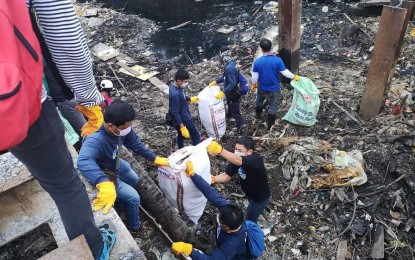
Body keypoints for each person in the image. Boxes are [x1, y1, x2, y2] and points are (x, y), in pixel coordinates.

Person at [4, 0, 116, 259]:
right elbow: (64, 34)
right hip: (17, 102)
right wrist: (88, 96)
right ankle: (96, 250)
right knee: (65, 187)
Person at [77, 101, 170, 234]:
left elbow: (135, 144)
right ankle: (134, 227)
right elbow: (83, 160)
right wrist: (103, 182)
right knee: (134, 198)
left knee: (133, 178)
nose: (128, 130)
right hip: (105, 172)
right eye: (126, 127)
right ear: (111, 126)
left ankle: (120, 201)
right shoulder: (96, 139)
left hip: (114, 162)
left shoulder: (120, 129)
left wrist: (154, 158)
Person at [171, 161, 253, 259]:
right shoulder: (229, 210)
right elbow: (210, 192)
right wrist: (193, 175)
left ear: (226, 227)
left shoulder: (231, 245)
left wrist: (189, 250)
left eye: (219, 221)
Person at [207, 136, 270, 223]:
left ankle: (249, 233)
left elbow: (239, 161)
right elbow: (226, 176)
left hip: (259, 199)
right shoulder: (235, 160)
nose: (236, 152)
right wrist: (211, 179)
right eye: (236, 149)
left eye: (240, 150)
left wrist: (220, 150)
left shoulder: (256, 159)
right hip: (250, 194)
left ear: (250, 151)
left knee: (249, 220)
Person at [251, 38, 300, 129]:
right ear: (271, 48)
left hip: (262, 87)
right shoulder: (277, 60)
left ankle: (258, 114)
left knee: (259, 100)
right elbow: (285, 72)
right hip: (274, 88)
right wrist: (294, 77)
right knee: (273, 105)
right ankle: (270, 123)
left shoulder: (257, 62)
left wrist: (253, 84)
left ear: (261, 49)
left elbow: (254, 77)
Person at [209, 46, 244, 133]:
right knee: (229, 103)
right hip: (231, 92)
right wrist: (216, 81)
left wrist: (223, 92)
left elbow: (232, 83)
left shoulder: (229, 67)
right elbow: (225, 77)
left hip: (233, 93)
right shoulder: (231, 63)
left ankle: (240, 129)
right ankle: (229, 115)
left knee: (236, 113)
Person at [169, 69, 201, 148]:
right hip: (184, 118)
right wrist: (182, 126)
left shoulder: (174, 86)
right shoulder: (175, 95)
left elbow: (182, 96)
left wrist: (189, 99)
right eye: (185, 82)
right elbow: (175, 111)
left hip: (182, 115)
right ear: (179, 81)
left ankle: (181, 149)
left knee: (180, 135)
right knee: (196, 135)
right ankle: (197, 153)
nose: (186, 83)